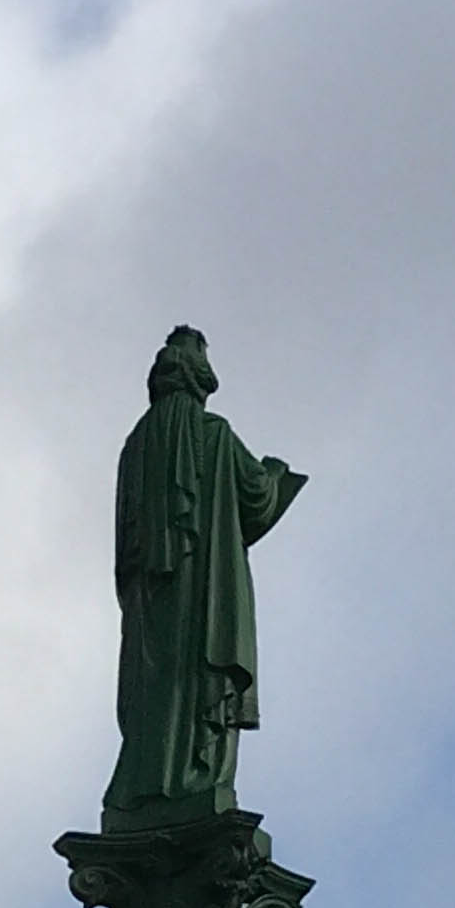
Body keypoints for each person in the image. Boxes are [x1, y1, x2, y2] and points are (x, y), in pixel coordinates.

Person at [103, 330, 303, 828]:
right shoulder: (213, 435)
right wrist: (277, 471)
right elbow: (257, 498)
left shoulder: (135, 448)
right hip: (206, 591)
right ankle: (198, 777)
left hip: (149, 599)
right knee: (200, 679)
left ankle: (142, 784)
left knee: (153, 685)